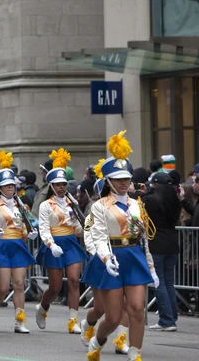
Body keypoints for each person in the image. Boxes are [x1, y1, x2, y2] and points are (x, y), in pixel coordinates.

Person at [86, 131, 159, 361]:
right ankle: (97, 340)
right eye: (118, 179)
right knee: (114, 316)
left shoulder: (138, 205)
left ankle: (135, 353)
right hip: (114, 258)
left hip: (134, 256)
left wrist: (152, 268)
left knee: (137, 308)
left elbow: (144, 238)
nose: (123, 182)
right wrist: (106, 259)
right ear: (108, 181)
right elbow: (98, 236)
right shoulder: (100, 206)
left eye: (126, 178)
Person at [34, 148, 87, 334]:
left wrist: (81, 226)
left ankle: (73, 320)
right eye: (57, 184)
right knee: (55, 287)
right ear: (51, 186)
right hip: (54, 244)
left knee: (74, 281)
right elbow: (44, 228)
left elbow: (79, 230)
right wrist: (50, 244)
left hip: (71, 242)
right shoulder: (45, 205)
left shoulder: (72, 202)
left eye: (64, 183)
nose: (62, 187)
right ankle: (42, 307)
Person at [79, 170, 130, 355]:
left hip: (123, 259)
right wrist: (101, 254)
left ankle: (121, 340)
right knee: (100, 308)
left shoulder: (126, 207)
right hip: (102, 262)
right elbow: (89, 236)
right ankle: (88, 323)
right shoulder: (96, 210)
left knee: (126, 303)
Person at [0, 150, 37, 334]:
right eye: (7, 186)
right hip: (1, 246)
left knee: (19, 284)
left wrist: (28, 233)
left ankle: (20, 320)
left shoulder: (20, 206)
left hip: (18, 246)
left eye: (12, 185)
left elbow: (24, 225)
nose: (11, 188)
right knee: (2, 287)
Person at [144, 172, 181, 332]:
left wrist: (140, 193)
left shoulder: (149, 200)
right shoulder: (175, 200)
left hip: (157, 244)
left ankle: (166, 319)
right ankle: (171, 316)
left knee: (159, 283)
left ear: (154, 185)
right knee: (168, 282)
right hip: (172, 243)